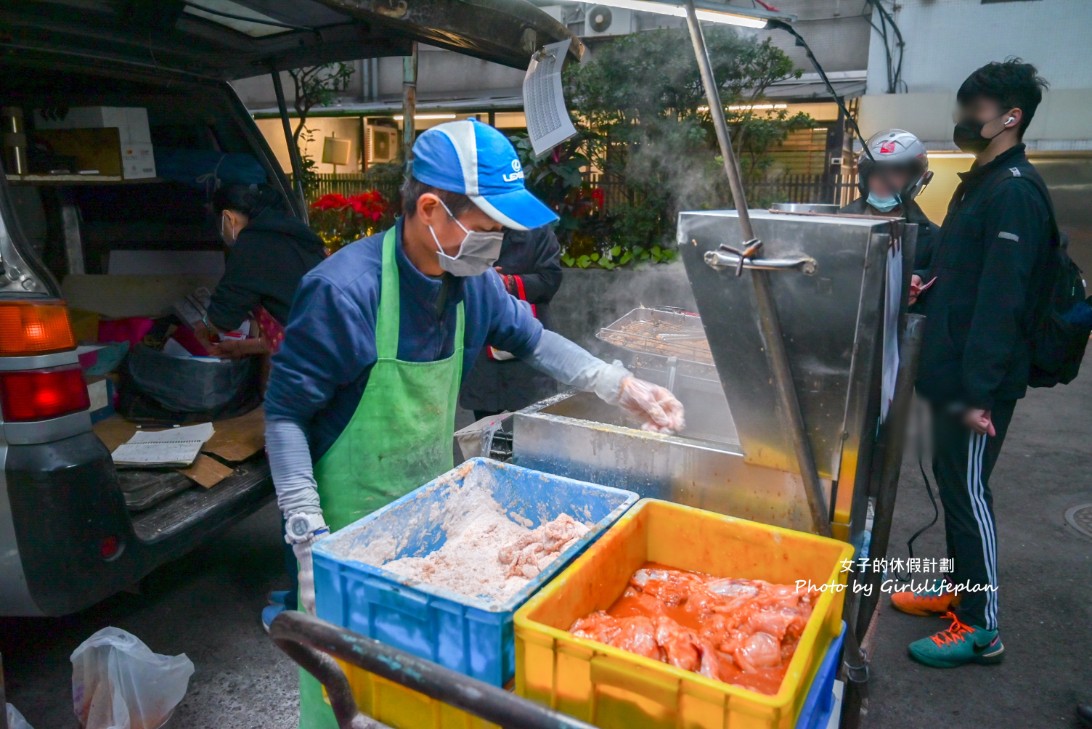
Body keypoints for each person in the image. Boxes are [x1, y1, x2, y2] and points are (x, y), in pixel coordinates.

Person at [263, 119, 684, 728]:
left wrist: (618, 384)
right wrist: (306, 535)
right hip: (345, 536)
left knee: (425, 695)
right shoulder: (344, 293)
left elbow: (536, 340)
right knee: (347, 693)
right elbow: (284, 417)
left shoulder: (471, 284)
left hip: (434, 526)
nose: (496, 246)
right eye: (486, 231)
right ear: (430, 209)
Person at [890, 59, 1053, 668]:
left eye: (972, 110)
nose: (962, 119)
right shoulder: (977, 182)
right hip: (951, 368)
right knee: (955, 484)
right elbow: (964, 275)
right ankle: (959, 594)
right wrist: (925, 286)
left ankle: (983, 627)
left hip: (976, 379)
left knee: (968, 492)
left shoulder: (1013, 191)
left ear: (1009, 118)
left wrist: (981, 393)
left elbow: (1003, 301)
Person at [201, 183, 326, 630]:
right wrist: (252, 348)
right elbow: (293, 316)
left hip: (299, 387)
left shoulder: (252, 245)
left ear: (231, 216)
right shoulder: (299, 239)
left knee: (296, 495)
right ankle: (298, 590)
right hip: (327, 373)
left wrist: (213, 332)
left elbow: (220, 315)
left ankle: (300, 607)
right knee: (314, 487)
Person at [199, 183, 326, 357]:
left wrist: (203, 327)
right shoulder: (296, 233)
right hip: (333, 347)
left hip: (311, 360)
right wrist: (240, 348)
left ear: (227, 218)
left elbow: (224, 315)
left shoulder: (251, 244)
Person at [460, 225, 563, 420]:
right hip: (482, 348)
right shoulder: (470, 226)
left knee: (532, 426)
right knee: (486, 431)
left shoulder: (538, 229)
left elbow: (550, 279)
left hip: (526, 350)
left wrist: (507, 282)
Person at [840, 128, 938, 269]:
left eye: (896, 173)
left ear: (915, 179)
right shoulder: (837, 223)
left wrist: (920, 277)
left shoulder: (932, 239)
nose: (884, 180)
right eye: (876, 172)